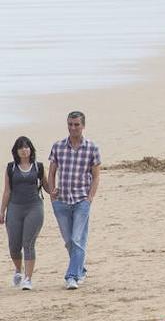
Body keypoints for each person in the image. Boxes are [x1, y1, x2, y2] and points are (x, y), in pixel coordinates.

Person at [47, 112, 100, 290]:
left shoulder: (92, 148)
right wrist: (52, 192)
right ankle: (81, 269)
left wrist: (90, 197)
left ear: (83, 126)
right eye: (70, 124)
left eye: (76, 124)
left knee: (78, 239)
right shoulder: (58, 146)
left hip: (81, 200)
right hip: (61, 201)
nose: (73, 127)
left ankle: (71, 276)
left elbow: (96, 176)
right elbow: (52, 171)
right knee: (69, 241)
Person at [4, 136, 49, 291]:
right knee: (14, 245)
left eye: (27, 147)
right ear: (16, 151)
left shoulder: (39, 167)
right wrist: (2, 211)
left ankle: (28, 279)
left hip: (34, 207)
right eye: (21, 147)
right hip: (15, 208)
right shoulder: (11, 168)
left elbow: (47, 187)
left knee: (28, 243)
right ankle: (18, 270)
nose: (24, 150)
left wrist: (56, 190)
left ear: (31, 149)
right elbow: (7, 191)